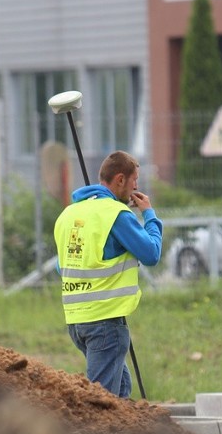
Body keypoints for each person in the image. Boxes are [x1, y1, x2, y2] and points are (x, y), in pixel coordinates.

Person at [54, 150, 163, 398]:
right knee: (99, 405)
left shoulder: (69, 214)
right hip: (105, 323)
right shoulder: (116, 214)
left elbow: (62, 266)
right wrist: (149, 215)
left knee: (120, 391)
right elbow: (151, 254)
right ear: (120, 180)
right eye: (135, 180)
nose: (137, 186)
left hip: (77, 322)